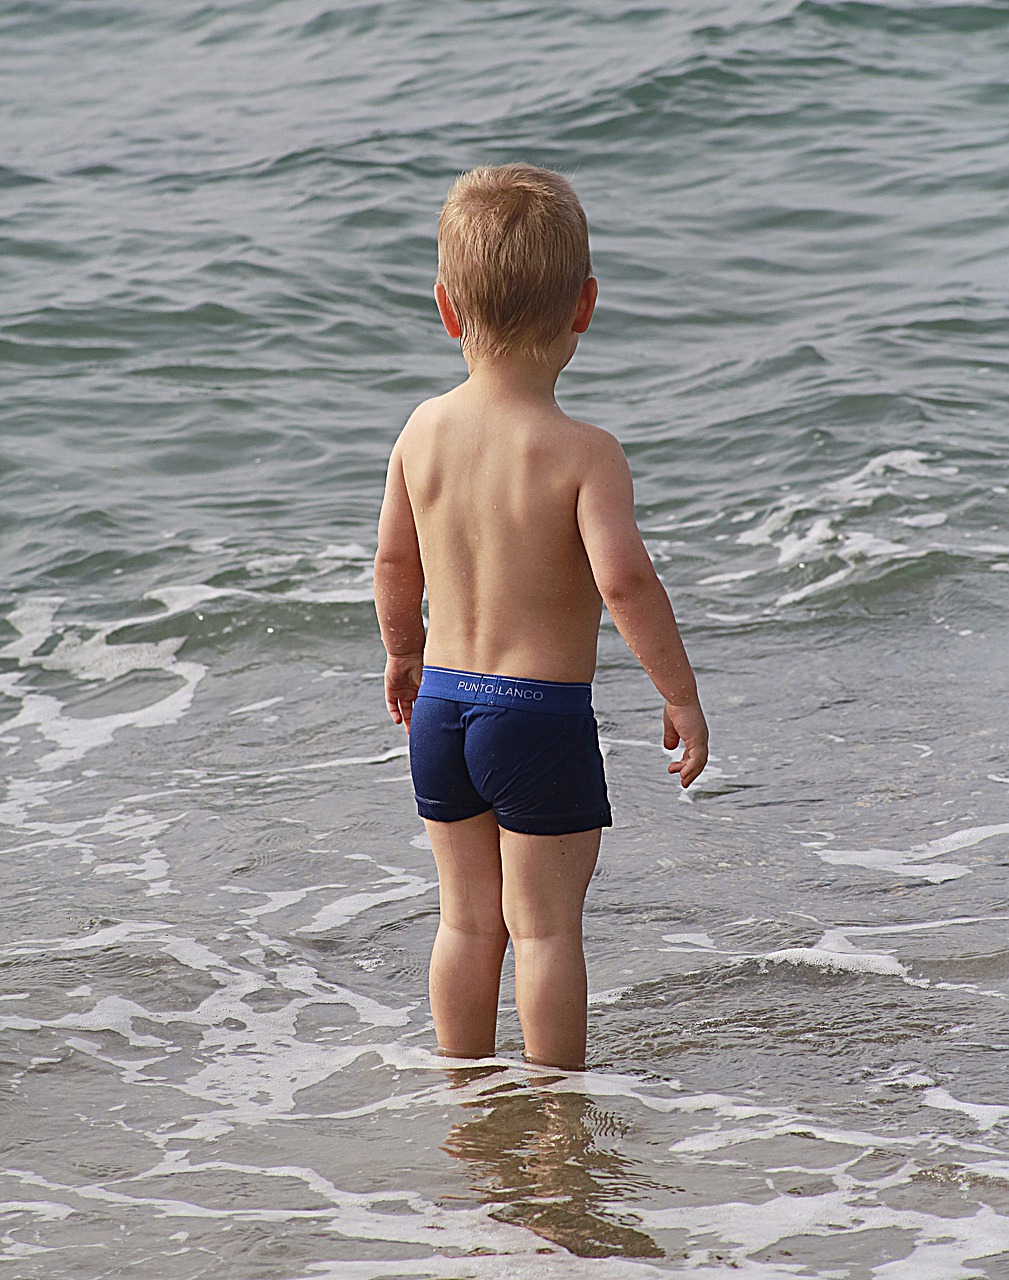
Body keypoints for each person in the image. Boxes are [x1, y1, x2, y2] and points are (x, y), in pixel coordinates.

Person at [374, 163, 708, 1071]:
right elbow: (626, 581)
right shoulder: (583, 453)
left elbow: (394, 563)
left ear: (446, 309)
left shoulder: (420, 431)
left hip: (441, 707)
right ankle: (556, 1108)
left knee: (465, 919)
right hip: (537, 716)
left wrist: (405, 652)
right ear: (584, 306)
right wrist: (678, 693)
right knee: (547, 931)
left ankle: (463, 1093)